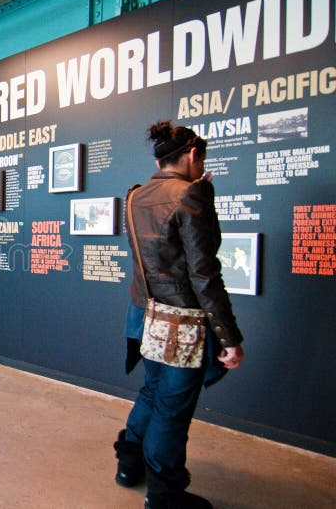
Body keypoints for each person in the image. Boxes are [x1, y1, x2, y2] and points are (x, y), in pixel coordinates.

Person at [115, 121, 245, 509]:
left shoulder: (135, 195)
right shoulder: (192, 194)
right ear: (192, 155)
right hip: (180, 322)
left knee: (152, 392)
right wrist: (229, 337)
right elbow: (204, 273)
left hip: (143, 314)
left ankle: (128, 464)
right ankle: (165, 494)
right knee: (172, 406)